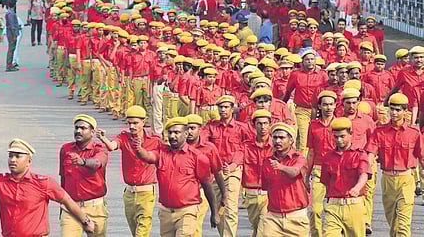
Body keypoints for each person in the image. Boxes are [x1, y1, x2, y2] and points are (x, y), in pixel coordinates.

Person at [0, 139, 96, 236]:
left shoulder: (44, 183)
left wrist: (86, 221)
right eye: (11, 156)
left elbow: (68, 201)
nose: (12, 160)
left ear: (29, 161)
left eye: (18, 156)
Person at [133, 116, 218, 236]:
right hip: (166, 212)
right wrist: (138, 149)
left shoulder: (198, 157)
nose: (172, 136)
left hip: (187, 211)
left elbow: (207, 185)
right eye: (170, 132)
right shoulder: (162, 152)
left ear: (185, 133)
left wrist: (214, 213)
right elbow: (148, 156)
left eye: (177, 132)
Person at [366, 93, 424, 237]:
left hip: (406, 180)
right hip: (387, 181)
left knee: (403, 226)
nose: (394, 113)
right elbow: (370, 153)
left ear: (405, 112)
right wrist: (366, 170)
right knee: (393, 224)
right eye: (392, 109)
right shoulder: (379, 132)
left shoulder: (414, 133)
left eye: (398, 110)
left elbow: (422, 157)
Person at [100, 106, 160, 236]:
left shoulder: (154, 141)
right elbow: (111, 146)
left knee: (142, 231)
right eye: (129, 123)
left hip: (147, 192)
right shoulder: (124, 137)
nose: (132, 126)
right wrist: (103, 138)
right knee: (134, 230)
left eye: (135, 123)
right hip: (129, 193)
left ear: (143, 122)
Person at [200, 95, 250, 237]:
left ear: (233, 109)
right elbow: (202, 143)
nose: (223, 110)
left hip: (233, 171)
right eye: (220, 107)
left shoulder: (242, 128)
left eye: (226, 107)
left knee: (230, 207)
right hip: (215, 173)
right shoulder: (211, 126)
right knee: (218, 208)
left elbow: (245, 148)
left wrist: (234, 165)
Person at [59, 114, 109, 237]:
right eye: (76, 128)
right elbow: (63, 179)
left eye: (83, 128)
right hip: (71, 208)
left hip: (95, 207)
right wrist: (62, 203)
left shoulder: (100, 149)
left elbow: (98, 163)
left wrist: (83, 162)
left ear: (92, 132)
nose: (78, 131)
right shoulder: (65, 149)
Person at [320, 117, 370, 237]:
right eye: (336, 137)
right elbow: (326, 182)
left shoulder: (360, 154)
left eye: (342, 136)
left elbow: (364, 174)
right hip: (333, 206)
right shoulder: (328, 157)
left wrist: (357, 188)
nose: (339, 140)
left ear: (351, 134)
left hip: (353, 206)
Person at [259, 122, 310, 236]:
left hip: (296, 218)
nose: (277, 141)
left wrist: (280, 167)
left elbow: (295, 172)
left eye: (282, 138)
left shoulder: (299, 158)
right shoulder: (267, 162)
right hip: (273, 217)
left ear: (291, 140)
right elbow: (266, 187)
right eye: (275, 137)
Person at [306, 90, 337, 237]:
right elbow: (311, 152)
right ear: (319, 107)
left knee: (335, 210)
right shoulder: (313, 125)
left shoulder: (340, 124)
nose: (328, 108)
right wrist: (306, 176)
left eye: (331, 104)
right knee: (315, 210)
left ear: (336, 105)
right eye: (325, 105)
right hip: (318, 171)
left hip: (337, 172)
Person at [5, 0, 20, 72]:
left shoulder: (9, 12)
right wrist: (14, 35)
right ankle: (9, 65)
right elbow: (12, 26)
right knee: (11, 49)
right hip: (11, 33)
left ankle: (9, 64)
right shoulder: (10, 13)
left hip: (11, 33)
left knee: (12, 49)